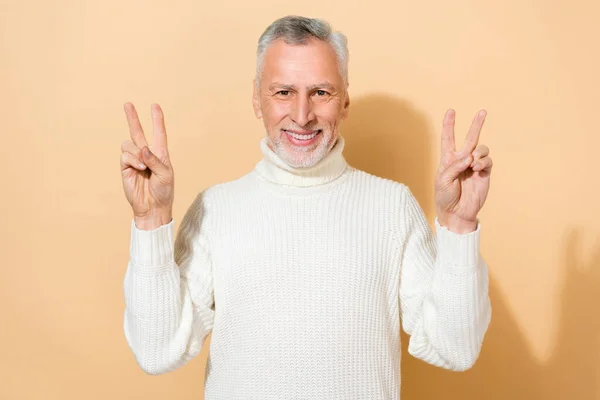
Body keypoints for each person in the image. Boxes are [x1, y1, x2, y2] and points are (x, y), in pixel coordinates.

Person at [120, 15, 492, 399]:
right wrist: (151, 220)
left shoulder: (392, 206)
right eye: (283, 92)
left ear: (345, 99)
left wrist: (459, 224)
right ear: (255, 98)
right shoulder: (216, 209)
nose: (301, 116)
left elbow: (456, 347)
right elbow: (157, 350)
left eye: (321, 92)